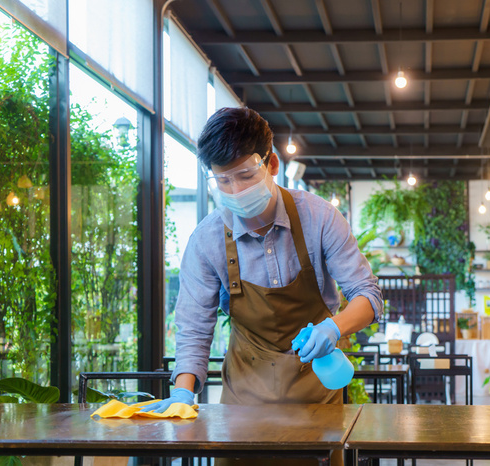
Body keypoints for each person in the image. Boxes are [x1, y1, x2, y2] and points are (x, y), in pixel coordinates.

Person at [142, 108, 383, 446]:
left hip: (318, 402)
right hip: (242, 409)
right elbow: (195, 327)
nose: (235, 189)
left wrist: (335, 327)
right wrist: (182, 393)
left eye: (245, 175)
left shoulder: (320, 218)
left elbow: (368, 295)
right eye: (223, 180)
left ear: (271, 165)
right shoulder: (206, 240)